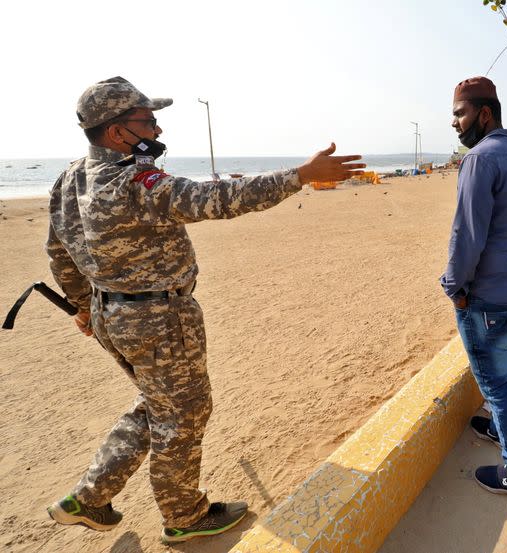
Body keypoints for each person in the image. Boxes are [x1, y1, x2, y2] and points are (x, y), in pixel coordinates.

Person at [46, 77, 365, 543]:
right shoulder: (135, 179)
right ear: (117, 133)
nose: (155, 125)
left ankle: (91, 496)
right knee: (183, 414)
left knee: (156, 404)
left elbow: (58, 251)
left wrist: (81, 306)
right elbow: (214, 199)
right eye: (146, 119)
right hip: (159, 318)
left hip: (109, 314)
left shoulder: (70, 177)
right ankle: (184, 517)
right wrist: (301, 175)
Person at [442, 76, 507, 499]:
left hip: (488, 298)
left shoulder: (480, 161)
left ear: (484, 113)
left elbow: (466, 236)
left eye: (459, 113)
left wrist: (454, 286)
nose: (454, 123)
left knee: (499, 387)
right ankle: (505, 434)